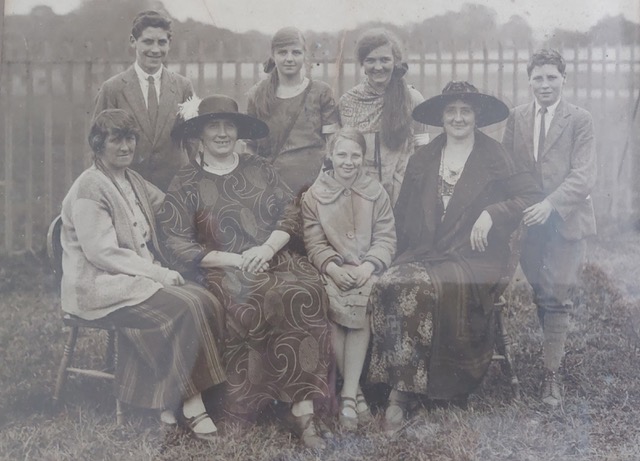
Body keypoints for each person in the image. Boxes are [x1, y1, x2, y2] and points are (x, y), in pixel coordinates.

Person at [158, 94, 332, 449]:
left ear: (238, 131)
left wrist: (266, 248)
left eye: (229, 126)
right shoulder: (186, 180)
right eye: (213, 126)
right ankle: (254, 402)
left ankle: (301, 408)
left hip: (271, 258)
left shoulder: (260, 167)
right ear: (200, 134)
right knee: (259, 297)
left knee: (306, 289)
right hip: (221, 270)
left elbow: (291, 212)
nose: (222, 133)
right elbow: (175, 242)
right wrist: (233, 259)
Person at [367, 81, 540, 432]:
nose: (458, 118)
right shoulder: (426, 156)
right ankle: (396, 382)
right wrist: (390, 256)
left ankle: (402, 396)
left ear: (476, 117)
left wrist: (494, 212)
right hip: (428, 251)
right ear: (441, 118)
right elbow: (402, 215)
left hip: (476, 258)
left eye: (466, 111)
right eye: (451, 111)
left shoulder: (495, 156)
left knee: (420, 287)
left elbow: (531, 196)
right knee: (390, 283)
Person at [59, 109, 226, 441]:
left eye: (130, 138)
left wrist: (212, 202)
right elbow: (102, 254)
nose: (125, 147)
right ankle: (192, 405)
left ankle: (170, 400)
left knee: (206, 299)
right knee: (185, 307)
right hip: (100, 285)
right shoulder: (90, 188)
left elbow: (169, 205)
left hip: (133, 278)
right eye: (116, 139)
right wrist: (157, 273)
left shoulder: (130, 178)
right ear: (97, 144)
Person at [502, 49, 597, 408]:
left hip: (565, 221)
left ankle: (551, 377)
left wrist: (550, 204)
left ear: (563, 79)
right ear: (529, 80)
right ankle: (553, 348)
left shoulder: (580, 120)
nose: (544, 85)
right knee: (542, 294)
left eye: (551, 77)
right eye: (538, 78)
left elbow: (584, 175)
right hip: (530, 223)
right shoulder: (517, 117)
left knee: (558, 296)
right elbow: (508, 167)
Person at [302, 127, 396, 431]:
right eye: (342, 154)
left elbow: (385, 237)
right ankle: (353, 396)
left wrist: (369, 266)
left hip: (366, 270)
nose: (348, 161)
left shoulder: (375, 191)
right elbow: (314, 243)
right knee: (331, 304)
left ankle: (347, 394)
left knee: (362, 302)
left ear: (364, 158)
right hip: (332, 271)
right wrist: (332, 267)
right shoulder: (315, 194)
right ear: (330, 155)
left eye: (356, 155)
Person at [92, 10, 194, 191]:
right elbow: (98, 144)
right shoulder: (113, 88)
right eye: (147, 41)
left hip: (173, 191)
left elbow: (193, 142)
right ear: (133, 41)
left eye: (162, 42)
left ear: (169, 44)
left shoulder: (182, 86)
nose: (155, 49)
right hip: (127, 189)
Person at [338, 28, 429, 206]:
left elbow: (423, 153)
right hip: (360, 196)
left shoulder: (413, 99)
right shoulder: (348, 102)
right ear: (362, 64)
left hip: (403, 196)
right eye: (370, 60)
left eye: (385, 60)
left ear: (395, 61)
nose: (378, 67)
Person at [246, 27, 339, 197]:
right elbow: (251, 148)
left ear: (305, 55)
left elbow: (332, 144)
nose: (289, 58)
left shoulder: (320, 92)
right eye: (282, 52)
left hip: (316, 189)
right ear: (273, 55)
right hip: (272, 191)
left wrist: (320, 184)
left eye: (296, 52)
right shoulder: (257, 95)